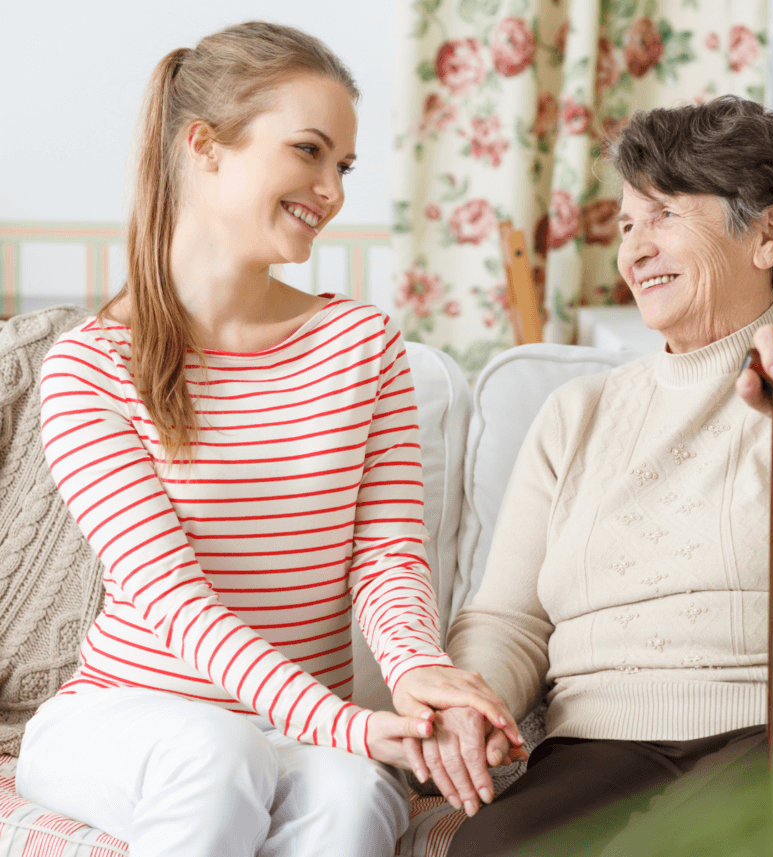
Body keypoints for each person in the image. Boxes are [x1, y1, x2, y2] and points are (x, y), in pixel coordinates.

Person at [415, 97, 773, 856]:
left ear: (769, 234)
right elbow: (508, 620)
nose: (634, 250)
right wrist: (472, 701)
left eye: (665, 215)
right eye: (625, 225)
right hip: (606, 746)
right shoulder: (573, 414)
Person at [16, 21, 520, 857]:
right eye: (309, 152)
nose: (331, 189)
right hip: (122, 716)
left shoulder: (363, 345)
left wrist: (417, 674)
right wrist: (353, 723)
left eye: (344, 166)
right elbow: (176, 606)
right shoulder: (88, 368)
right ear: (205, 145)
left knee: (355, 797)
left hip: (292, 725)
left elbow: (388, 560)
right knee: (220, 754)